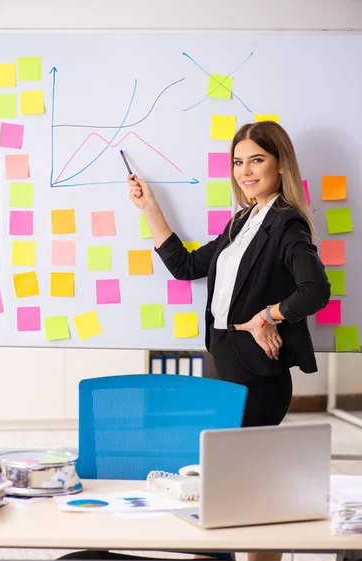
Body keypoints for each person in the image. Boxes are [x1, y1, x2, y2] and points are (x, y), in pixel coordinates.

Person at [128, 120, 331, 430]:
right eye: (238, 162)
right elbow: (186, 266)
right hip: (224, 362)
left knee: (243, 469)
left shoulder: (286, 222)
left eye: (257, 160)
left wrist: (267, 316)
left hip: (257, 375)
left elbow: (314, 290)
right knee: (224, 466)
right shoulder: (242, 221)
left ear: (280, 166)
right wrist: (149, 207)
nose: (245, 171)